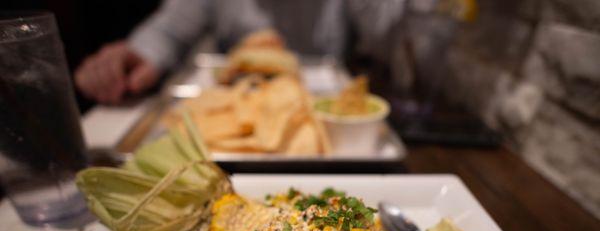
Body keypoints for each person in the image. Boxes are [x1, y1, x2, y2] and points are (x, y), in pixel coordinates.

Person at [75, 0, 406, 104]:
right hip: (238, 102)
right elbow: (167, 30)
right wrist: (136, 55)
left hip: (320, 105)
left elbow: (394, 33)